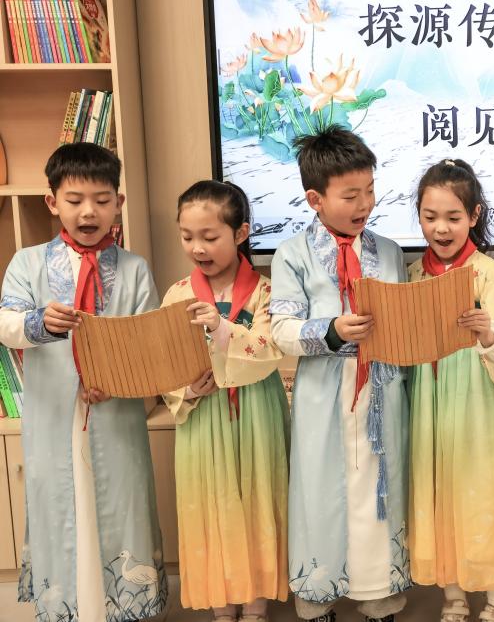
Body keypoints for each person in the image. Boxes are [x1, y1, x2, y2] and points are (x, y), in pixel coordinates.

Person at [0, 142, 166, 621]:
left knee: (122, 503)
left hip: (116, 416)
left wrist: (117, 380)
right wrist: (39, 322)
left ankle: (125, 609)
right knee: (60, 505)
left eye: (101, 199)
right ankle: (69, 609)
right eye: (74, 200)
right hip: (55, 415)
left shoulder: (134, 269)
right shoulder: (27, 263)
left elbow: (149, 342)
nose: (88, 211)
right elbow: (6, 323)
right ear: (52, 202)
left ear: (119, 203)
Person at [270, 126, 411, 622]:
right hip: (323, 397)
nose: (365, 204)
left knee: (379, 492)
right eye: (351, 195)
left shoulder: (390, 252)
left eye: (369, 190)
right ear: (315, 199)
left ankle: (380, 597)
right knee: (321, 493)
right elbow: (281, 330)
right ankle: (318, 600)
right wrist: (331, 330)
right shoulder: (292, 255)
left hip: (382, 393)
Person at [406, 159, 494, 622]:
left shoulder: (488, 273)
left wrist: (487, 333)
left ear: (474, 215)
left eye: (453, 217)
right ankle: (453, 597)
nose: (441, 228)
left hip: (478, 403)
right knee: (440, 492)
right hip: (430, 402)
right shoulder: (413, 274)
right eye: (430, 217)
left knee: (483, 495)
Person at [161, 180, 289, 621]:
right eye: (187, 236)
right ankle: (221, 607)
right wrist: (186, 389)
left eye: (209, 236)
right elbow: (164, 362)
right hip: (202, 415)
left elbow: (270, 349)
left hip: (255, 412)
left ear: (240, 233)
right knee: (207, 505)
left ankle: (255, 605)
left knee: (257, 500)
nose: (197, 248)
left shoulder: (266, 291)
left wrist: (220, 328)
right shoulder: (178, 294)